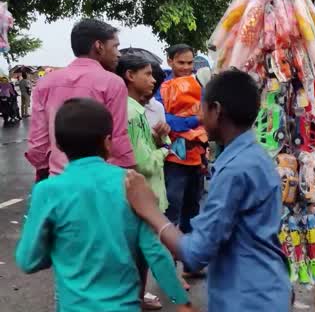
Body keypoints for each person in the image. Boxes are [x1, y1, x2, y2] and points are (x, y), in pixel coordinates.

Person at [125, 69, 291, 312]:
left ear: (216, 110)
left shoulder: (236, 170)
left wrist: (149, 210)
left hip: (248, 298)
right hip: (261, 288)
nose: (199, 116)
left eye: (201, 108)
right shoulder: (252, 157)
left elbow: (195, 252)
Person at [15, 98, 193, 312]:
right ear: (108, 141)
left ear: (59, 145)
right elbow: (154, 252)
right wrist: (181, 301)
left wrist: (57, 251)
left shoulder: (48, 191)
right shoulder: (131, 184)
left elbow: (28, 261)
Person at [25, 19, 134, 181]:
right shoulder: (112, 83)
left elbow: (38, 142)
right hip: (99, 182)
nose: (118, 53)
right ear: (99, 46)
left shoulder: (45, 82)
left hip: (58, 179)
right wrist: (130, 171)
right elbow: (117, 138)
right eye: (115, 46)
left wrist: (44, 170)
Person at [115, 55, 174, 309]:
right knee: (138, 253)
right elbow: (144, 163)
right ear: (130, 75)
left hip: (143, 195)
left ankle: (136, 297)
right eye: (148, 74)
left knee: (140, 253)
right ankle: (134, 299)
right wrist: (165, 149)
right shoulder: (131, 112)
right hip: (141, 195)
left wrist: (159, 141)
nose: (153, 80)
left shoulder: (135, 109)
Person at [156, 44, 208, 280]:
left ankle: (190, 264)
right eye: (181, 63)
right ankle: (168, 271)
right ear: (170, 61)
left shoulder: (200, 85)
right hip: (173, 160)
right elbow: (163, 119)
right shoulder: (163, 88)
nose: (186, 68)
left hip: (196, 157)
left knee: (192, 213)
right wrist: (192, 121)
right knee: (171, 214)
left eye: (190, 63)